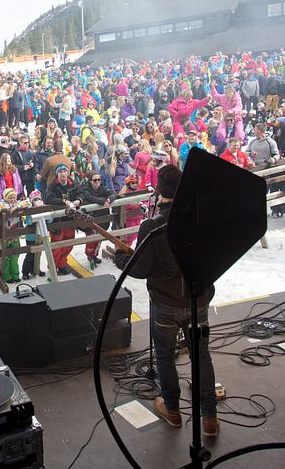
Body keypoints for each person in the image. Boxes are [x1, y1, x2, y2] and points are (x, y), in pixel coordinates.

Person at [113, 165, 219, 437]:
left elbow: (139, 269)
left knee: (164, 356)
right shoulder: (199, 217)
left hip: (166, 305)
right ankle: (210, 418)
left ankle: (172, 409)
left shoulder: (153, 225)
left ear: (159, 191)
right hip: (198, 301)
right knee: (201, 355)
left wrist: (120, 257)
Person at [44, 164, 83, 276]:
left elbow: (81, 193)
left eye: (65, 171)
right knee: (57, 246)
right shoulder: (53, 185)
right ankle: (53, 267)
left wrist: (78, 200)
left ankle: (62, 265)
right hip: (58, 221)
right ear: (57, 174)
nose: (63, 174)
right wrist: (64, 202)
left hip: (70, 220)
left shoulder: (73, 184)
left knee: (69, 244)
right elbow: (48, 198)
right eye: (61, 172)